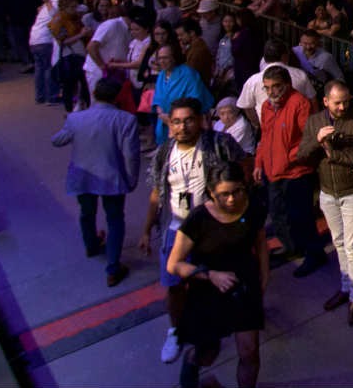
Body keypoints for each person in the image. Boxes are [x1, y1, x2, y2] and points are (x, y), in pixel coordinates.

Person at [139, 97, 245, 364]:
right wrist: (146, 229)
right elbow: (156, 194)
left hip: (212, 230)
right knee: (174, 285)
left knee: (215, 282)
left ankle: (217, 328)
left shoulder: (219, 144)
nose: (182, 127)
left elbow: (244, 167)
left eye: (188, 120)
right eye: (176, 121)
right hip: (176, 231)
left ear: (199, 120)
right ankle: (175, 332)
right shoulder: (165, 152)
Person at [166, 161, 268, 388]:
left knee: (249, 351)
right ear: (211, 193)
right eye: (224, 194)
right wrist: (210, 275)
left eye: (237, 191)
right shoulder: (198, 219)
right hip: (208, 291)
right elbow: (174, 264)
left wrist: (264, 276)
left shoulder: (253, 208)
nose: (232, 199)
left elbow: (261, 241)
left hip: (243, 288)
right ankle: (191, 365)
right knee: (207, 353)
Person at [297, 79, 353, 325]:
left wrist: (334, 154)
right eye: (337, 103)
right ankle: (346, 288)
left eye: (346, 102)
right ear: (326, 101)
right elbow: (301, 156)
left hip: (352, 191)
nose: (342, 107)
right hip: (328, 192)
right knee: (339, 242)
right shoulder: (315, 122)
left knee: (352, 245)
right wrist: (316, 140)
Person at [51, 77, 142, 286]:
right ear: (117, 97)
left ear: (94, 94)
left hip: (82, 177)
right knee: (115, 219)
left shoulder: (76, 119)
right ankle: (113, 268)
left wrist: (68, 125)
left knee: (87, 213)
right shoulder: (126, 120)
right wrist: (131, 179)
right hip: (112, 178)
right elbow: (131, 155)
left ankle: (91, 245)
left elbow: (57, 140)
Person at [253, 65, 324, 277]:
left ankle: (314, 254)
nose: (272, 92)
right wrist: (259, 163)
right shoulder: (266, 107)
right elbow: (264, 137)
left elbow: (308, 139)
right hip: (272, 171)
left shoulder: (299, 104)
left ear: (287, 85)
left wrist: (288, 159)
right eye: (267, 88)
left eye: (276, 87)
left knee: (301, 215)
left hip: (296, 173)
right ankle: (293, 248)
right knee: (278, 214)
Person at [236, 39, 315, 127]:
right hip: (282, 130)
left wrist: (257, 123)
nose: (271, 92)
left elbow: (247, 106)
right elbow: (313, 101)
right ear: (285, 56)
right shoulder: (300, 75)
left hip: (291, 130)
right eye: (266, 88)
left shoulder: (253, 80)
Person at [152, 45, 215, 148]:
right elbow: (157, 98)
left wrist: (173, 118)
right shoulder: (161, 75)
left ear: (173, 57)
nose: (162, 61)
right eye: (160, 58)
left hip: (186, 123)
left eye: (166, 57)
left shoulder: (188, 73)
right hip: (165, 121)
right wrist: (162, 114)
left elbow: (195, 99)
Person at [83, 2, 132, 103]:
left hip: (116, 72)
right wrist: (102, 67)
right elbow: (91, 47)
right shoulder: (112, 24)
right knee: (98, 103)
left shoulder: (131, 30)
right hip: (99, 71)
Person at [176, 18, 214, 88]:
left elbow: (189, 74)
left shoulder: (198, 51)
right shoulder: (193, 47)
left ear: (192, 33)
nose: (179, 38)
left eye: (181, 35)